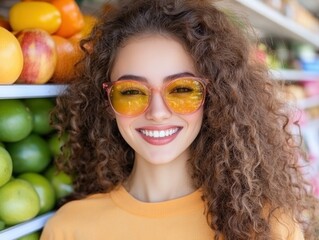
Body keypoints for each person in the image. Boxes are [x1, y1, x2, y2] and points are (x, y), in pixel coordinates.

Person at [40, 0, 319, 239]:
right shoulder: (69, 228)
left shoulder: (268, 227)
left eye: (183, 89)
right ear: (107, 101)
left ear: (214, 96)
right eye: (132, 92)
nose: (157, 112)